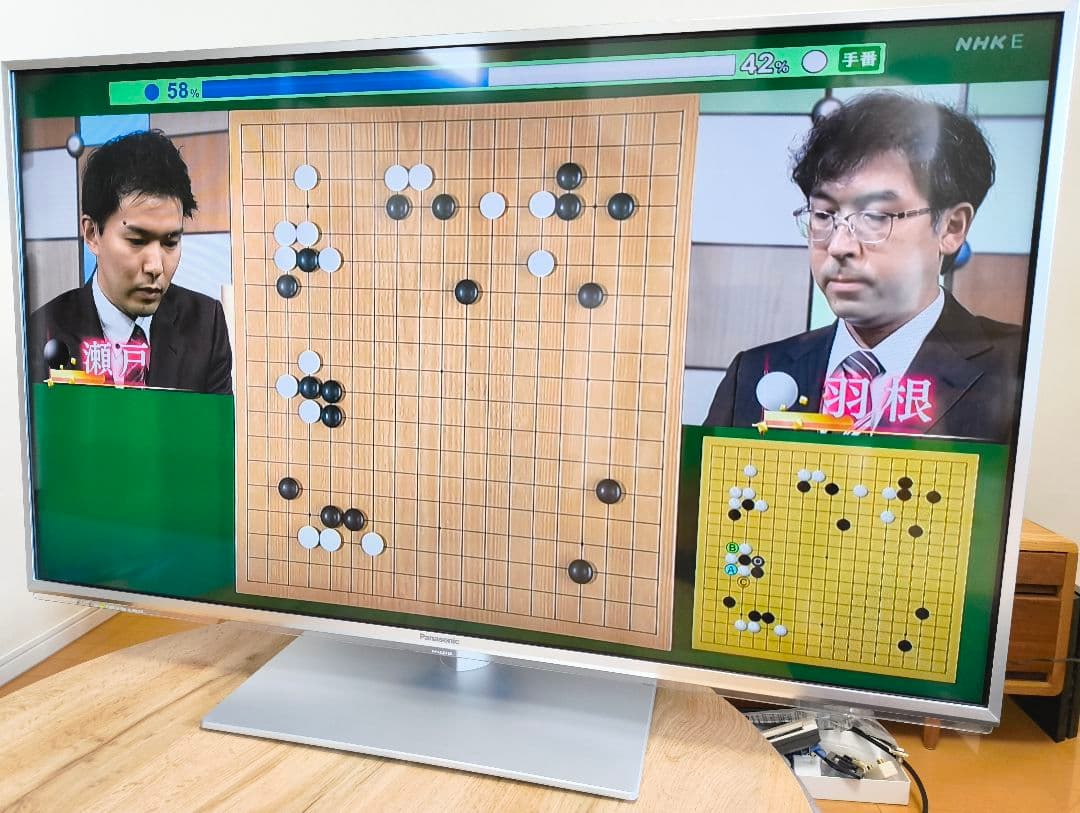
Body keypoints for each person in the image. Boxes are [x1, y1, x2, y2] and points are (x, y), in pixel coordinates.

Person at [704, 92, 1021, 442]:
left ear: (951, 227)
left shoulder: (1019, 368)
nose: (839, 246)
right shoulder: (753, 373)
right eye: (824, 214)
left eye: (874, 216)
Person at [28, 129, 232, 394]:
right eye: (136, 241)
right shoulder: (41, 332)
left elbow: (215, 422)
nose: (155, 266)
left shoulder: (206, 324)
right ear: (92, 234)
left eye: (170, 242)